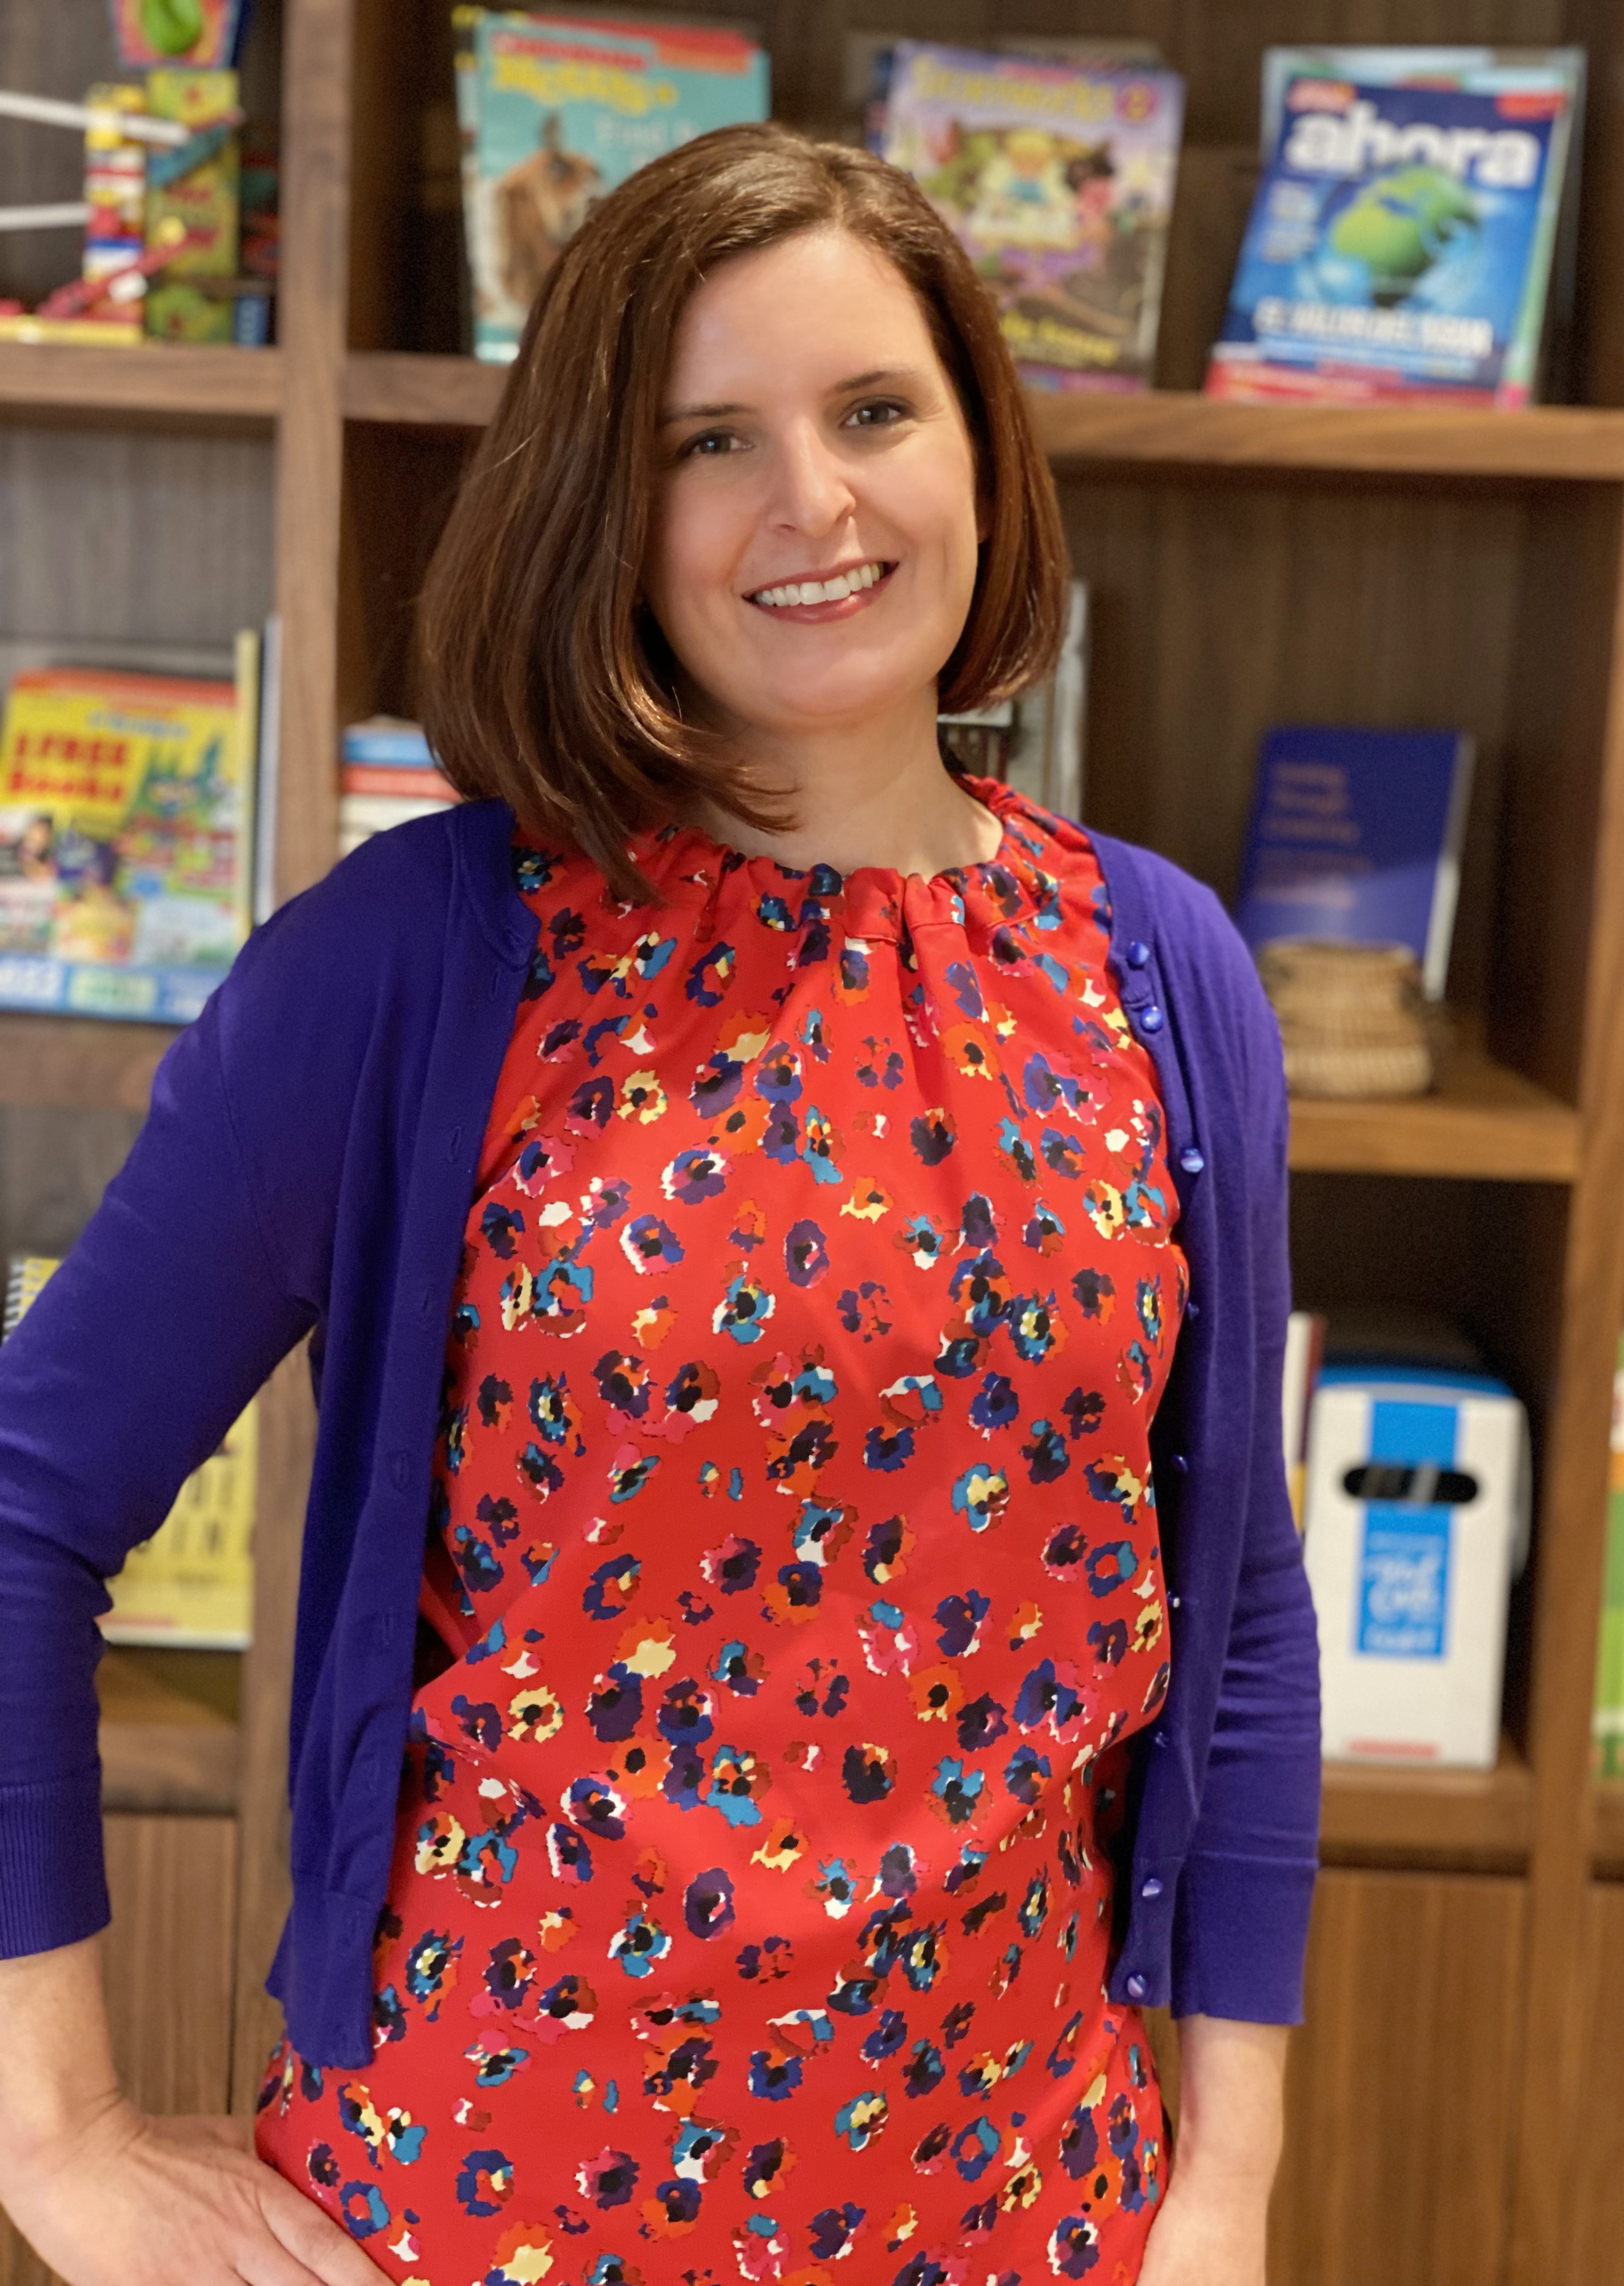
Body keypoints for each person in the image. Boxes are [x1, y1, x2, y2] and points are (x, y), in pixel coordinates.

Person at [0, 124, 1319, 2286]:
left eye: (874, 410)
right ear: (606, 510)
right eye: (711, 439)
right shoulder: (411, 962)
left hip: (1035, 2206)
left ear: (982, 448)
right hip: (476, 2206)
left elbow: (1239, 1608)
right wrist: (53, 2141)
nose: (815, 504)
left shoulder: (1162, 976)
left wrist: (1231, 2186)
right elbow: (19, 1505)